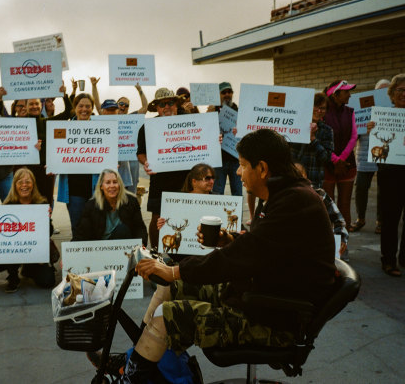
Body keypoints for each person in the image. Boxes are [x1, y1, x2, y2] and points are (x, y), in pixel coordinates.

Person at [110, 129, 336, 383]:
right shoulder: (284, 194)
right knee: (168, 290)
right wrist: (230, 240)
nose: (238, 173)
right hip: (258, 296)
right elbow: (263, 248)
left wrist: (174, 270)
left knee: (167, 315)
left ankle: (131, 377)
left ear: (261, 168)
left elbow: (238, 258)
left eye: (242, 165)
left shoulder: (292, 202)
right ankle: (136, 359)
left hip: (273, 318)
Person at [137, 88, 189, 247]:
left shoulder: (190, 121)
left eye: (170, 103)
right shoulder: (147, 127)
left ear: (176, 105)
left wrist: (216, 139)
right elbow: (140, 153)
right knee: (157, 217)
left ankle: (185, 252)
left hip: (186, 179)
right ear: (157, 108)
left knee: (186, 215)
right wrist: (146, 163)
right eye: (162, 104)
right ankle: (155, 251)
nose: (167, 107)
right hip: (160, 179)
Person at [0, 168, 57, 292]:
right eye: (20, 182)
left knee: (48, 281)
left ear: (33, 184)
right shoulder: (8, 205)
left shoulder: (41, 203)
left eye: (28, 182)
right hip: (14, 249)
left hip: (35, 249)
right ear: (14, 185)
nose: (24, 185)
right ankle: (13, 275)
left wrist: (46, 220)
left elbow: (49, 233)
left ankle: (30, 268)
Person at [56, 93, 100, 235]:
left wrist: (111, 163)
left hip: (96, 189)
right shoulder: (63, 129)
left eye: (88, 106)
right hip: (74, 190)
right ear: (75, 108)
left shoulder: (101, 129)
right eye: (80, 106)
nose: (84, 109)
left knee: (97, 228)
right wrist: (52, 163)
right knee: (78, 228)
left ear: (92, 108)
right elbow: (56, 152)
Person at [351, 78, 390, 234]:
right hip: (364, 156)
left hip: (385, 157)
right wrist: (362, 129)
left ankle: (380, 221)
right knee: (360, 187)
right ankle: (360, 219)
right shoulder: (363, 109)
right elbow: (353, 134)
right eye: (380, 91)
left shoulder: (396, 111)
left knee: (384, 190)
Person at [377, 74, 405, 277]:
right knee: (390, 218)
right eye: (400, 90)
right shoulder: (383, 118)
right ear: (392, 94)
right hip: (390, 174)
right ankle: (388, 260)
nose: (404, 94)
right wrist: (372, 130)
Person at [73, 169, 147, 245]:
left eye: (115, 182)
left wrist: (142, 243)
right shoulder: (91, 206)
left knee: (122, 229)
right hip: (101, 248)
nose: (112, 186)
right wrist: (70, 252)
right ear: (101, 186)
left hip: (124, 247)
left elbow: (140, 228)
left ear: (120, 185)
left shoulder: (131, 201)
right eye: (108, 183)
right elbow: (81, 233)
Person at [322, 80, 358, 229]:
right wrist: (335, 160)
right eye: (346, 92)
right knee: (328, 208)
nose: (349, 95)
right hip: (326, 164)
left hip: (347, 165)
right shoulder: (322, 111)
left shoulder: (350, 111)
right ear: (335, 95)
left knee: (344, 207)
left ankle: (342, 247)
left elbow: (354, 137)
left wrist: (341, 160)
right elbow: (320, 139)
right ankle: (330, 246)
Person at [295, 162, 348, 259]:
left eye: (300, 176)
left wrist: (341, 239)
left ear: (306, 177)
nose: (297, 182)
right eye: (293, 178)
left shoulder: (320, 194)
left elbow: (338, 221)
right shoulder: (283, 197)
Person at [289, 92, 334, 188]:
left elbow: (326, 158)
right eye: (316, 106)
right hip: (292, 177)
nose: (319, 110)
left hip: (314, 181)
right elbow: (287, 151)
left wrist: (313, 139)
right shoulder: (295, 125)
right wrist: (297, 164)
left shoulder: (327, 130)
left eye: (322, 108)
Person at [207, 82, 242, 197]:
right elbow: (205, 131)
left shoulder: (238, 110)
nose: (227, 94)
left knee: (237, 192)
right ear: (218, 95)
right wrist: (209, 115)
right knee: (217, 192)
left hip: (235, 159)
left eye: (229, 92)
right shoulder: (212, 111)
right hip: (219, 160)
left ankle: (237, 216)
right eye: (223, 92)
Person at [117, 84, 148, 195]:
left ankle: (131, 205)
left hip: (131, 157)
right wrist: (94, 86)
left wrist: (140, 89)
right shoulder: (109, 117)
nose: (123, 106)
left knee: (132, 187)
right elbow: (97, 106)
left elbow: (145, 107)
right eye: (121, 103)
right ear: (117, 104)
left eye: (126, 105)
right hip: (115, 157)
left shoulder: (132, 117)